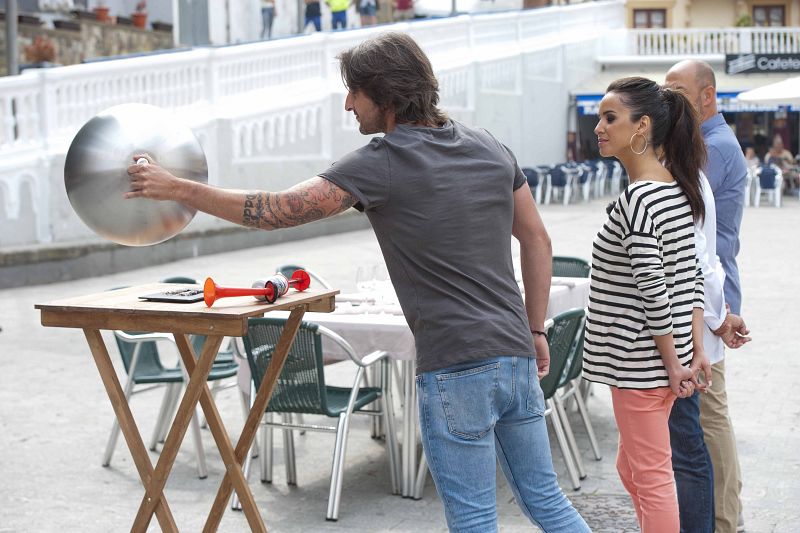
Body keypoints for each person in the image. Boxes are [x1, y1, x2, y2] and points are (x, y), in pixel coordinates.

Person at [126, 32, 590, 533]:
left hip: (456, 363)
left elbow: (276, 211)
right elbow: (537, 240)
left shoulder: (382, 161)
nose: (348, 104)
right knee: (547, 501)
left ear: (385, 95)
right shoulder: (490, 146)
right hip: (516, 354)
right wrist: (536, 329)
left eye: (354, 92)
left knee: (475, 520)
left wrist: (178, 189)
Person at [583, 76, 710, 533]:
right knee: (632, 469)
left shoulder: (640, 198)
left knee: (653, 479)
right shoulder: (676, 189)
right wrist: (693, 352)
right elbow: (690, 280)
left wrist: (677, 362)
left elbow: (655, 291)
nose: (598, 126)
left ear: (642, 127)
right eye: (599, 117)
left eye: (609, 118)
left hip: (640, 366)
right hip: (658, 365)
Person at [666, 59, 749, 533]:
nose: (668, 100)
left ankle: (723, 520)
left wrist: (718, 314)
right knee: (707, 414)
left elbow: (698, 247)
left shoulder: (708, 149)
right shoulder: (706, 144)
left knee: (709, 417)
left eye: (677, 91)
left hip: (709, 300)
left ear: (707, 96)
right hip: (710, 295)